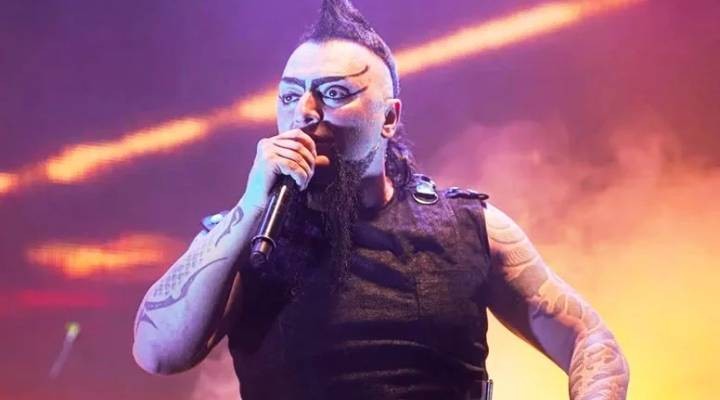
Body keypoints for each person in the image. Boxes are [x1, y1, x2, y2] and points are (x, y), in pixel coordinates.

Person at [132, 1, 629, 399]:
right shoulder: (249, 235)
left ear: (388, 118)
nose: (305, 112)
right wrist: (250, 206)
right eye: (289, 96)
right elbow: (157, 353)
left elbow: (588, 337)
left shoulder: (469, 228)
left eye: (333, 93)